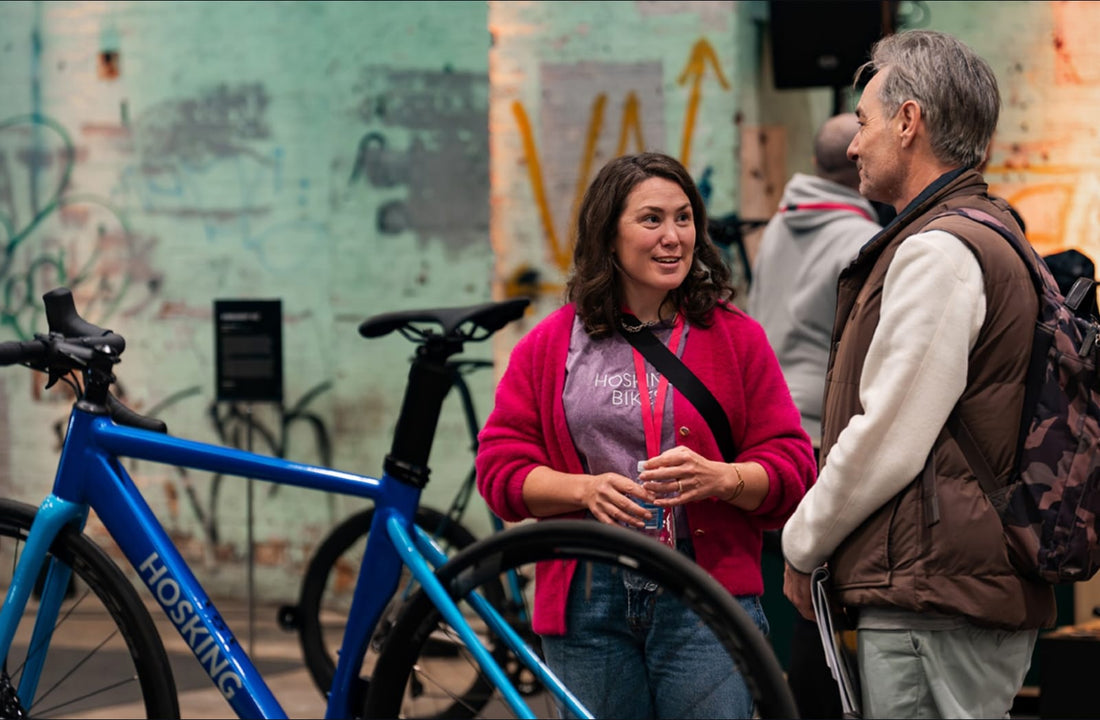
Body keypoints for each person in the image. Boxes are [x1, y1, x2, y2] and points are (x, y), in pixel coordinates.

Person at [476, 151, 815, 719]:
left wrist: (724, 478)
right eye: (651, 219)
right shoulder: (551, 344)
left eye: (684, 218)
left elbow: (793, 468)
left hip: (705, 594)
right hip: (587, 592)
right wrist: (581, 491)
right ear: (608, 235)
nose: (673, 237)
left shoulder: (737, 338)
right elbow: (499, 472)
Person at [781, 29, 1057, 719]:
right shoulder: (984, 231)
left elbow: (890, 436)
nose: (851, 145)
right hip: (949, 589)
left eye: (865, 122)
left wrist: (802, 540)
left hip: (935, 597)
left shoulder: (939, 250)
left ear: (909, 123)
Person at [747, 112, 882, 719]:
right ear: (855, 162)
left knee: (802, 591)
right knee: (818, 596)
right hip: (817, 428)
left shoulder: (781, 223)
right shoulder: (857, 239)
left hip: (771, 415)